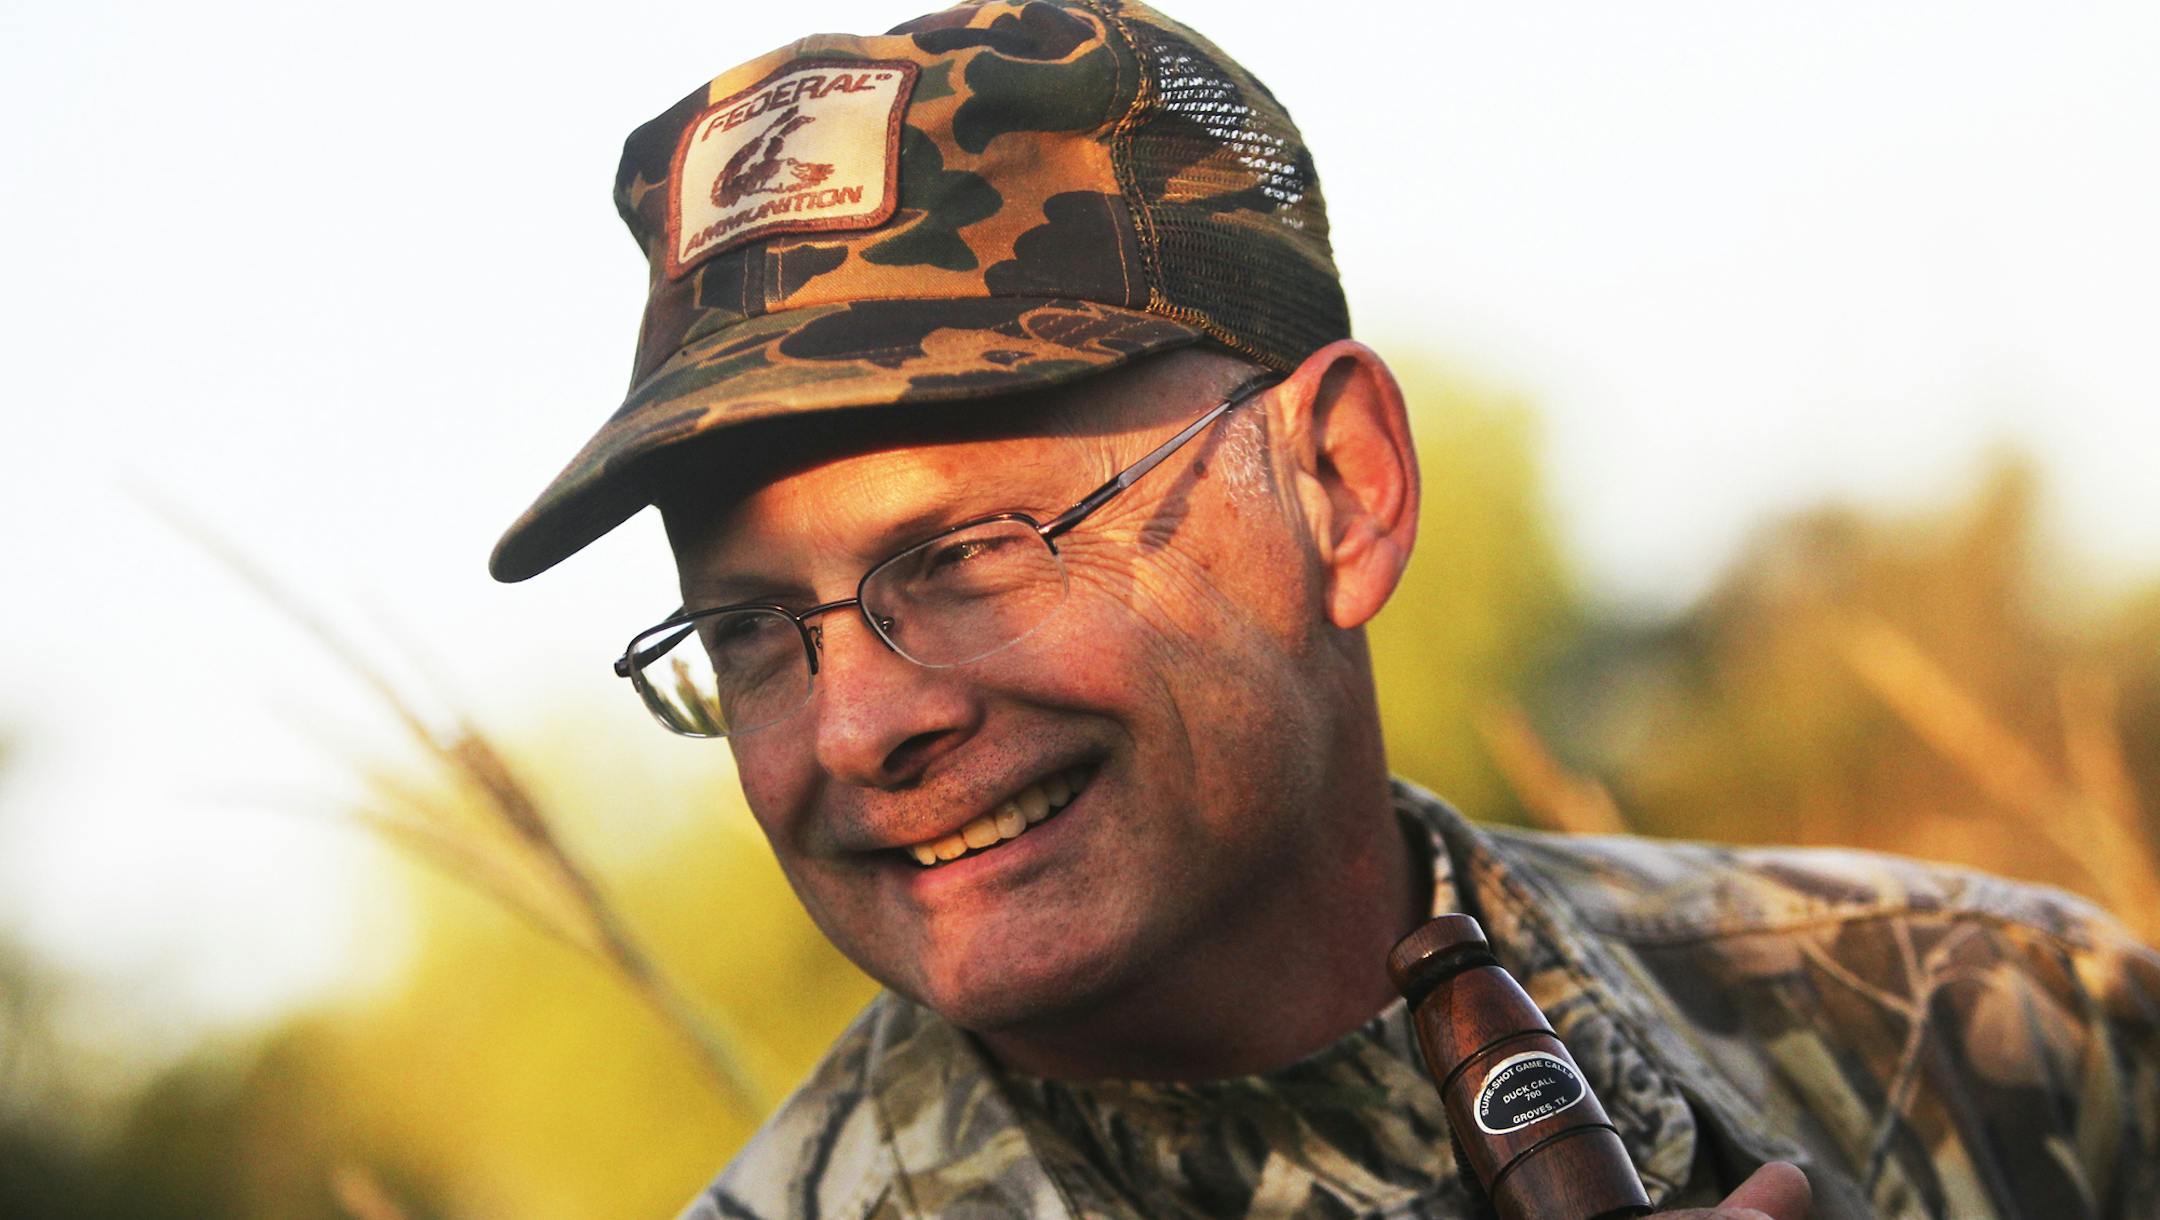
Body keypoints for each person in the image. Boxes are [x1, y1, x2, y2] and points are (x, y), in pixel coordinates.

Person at [488, 2, 2160, 1216]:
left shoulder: (1992, 1034)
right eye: (750, 632)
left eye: (975, 551)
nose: (861, 723)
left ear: (1341, 487)